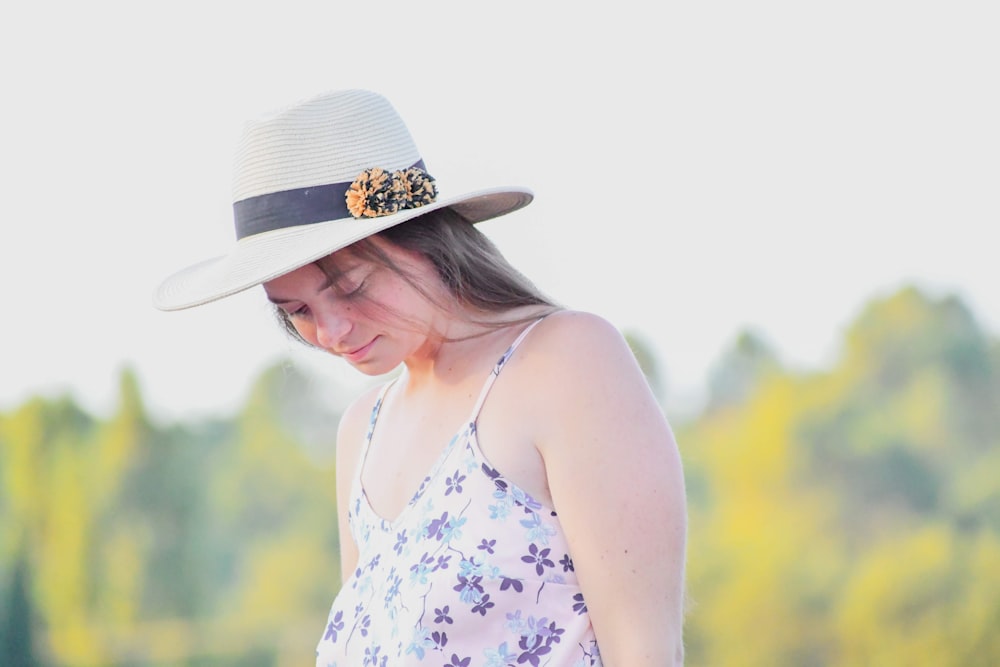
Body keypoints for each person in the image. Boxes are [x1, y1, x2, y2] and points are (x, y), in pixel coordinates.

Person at [154, 89, 687, 666]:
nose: (330, 331)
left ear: (425, 241)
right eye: (297, 311)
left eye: (351, 286)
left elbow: (646, 650)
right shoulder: (363, 430)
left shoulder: (566, 361)